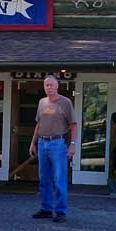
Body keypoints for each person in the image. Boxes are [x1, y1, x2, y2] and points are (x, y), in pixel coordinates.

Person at [28, 74, 77, 223]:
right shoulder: (42, 102)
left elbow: (73, 124)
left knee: (59, 179)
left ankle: (61, 211)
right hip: (43, 143)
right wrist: (33, 143)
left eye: (51, 85)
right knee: (44, 179)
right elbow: (38, 124)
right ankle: (46, 209)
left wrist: (72, 145)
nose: (49, 87)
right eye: (46, 85)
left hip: (58, 144)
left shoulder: (65, 102)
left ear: (57, 86)